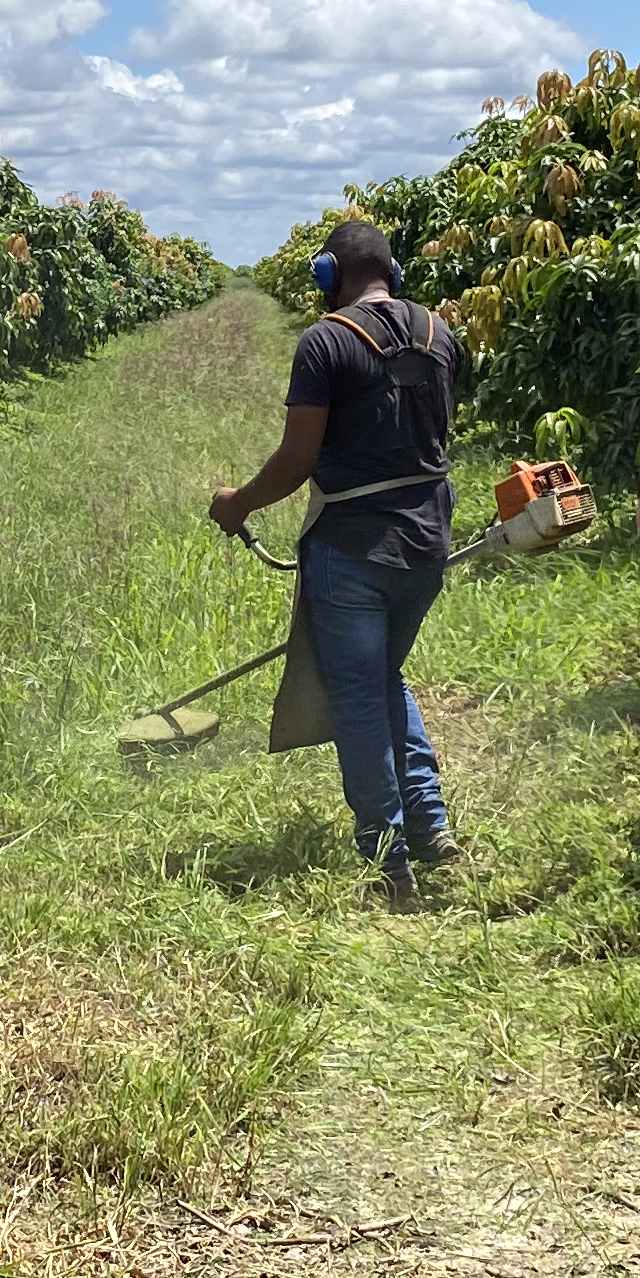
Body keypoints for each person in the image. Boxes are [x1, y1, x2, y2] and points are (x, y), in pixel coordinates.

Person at [207, 219, 463, 908]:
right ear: (392, 272)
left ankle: (387, 856)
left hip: (353, 550)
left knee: (355, 696)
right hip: (426, 543)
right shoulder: (442, 335)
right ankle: (430, 825)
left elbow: (297, 460)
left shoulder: (325, 341)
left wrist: (237, 504)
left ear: (328, 274)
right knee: (384, 675)